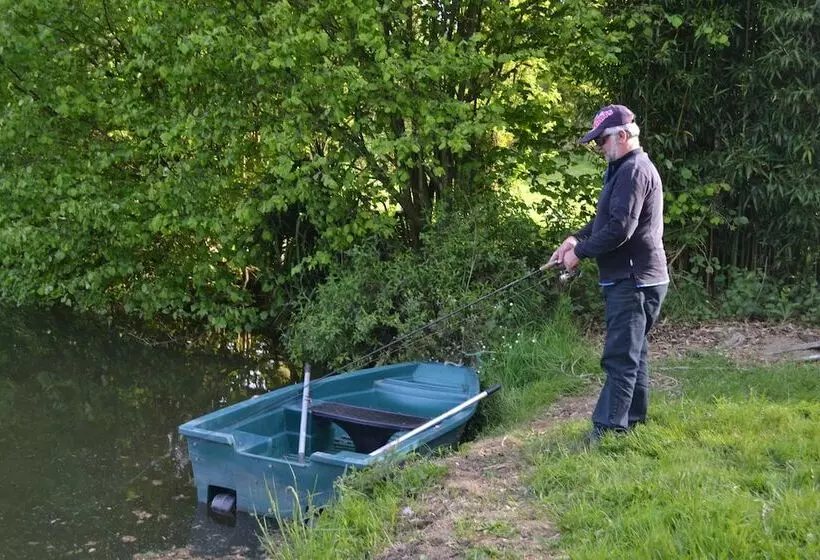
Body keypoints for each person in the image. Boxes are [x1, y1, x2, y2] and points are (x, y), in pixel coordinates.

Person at [549, 104, 669, 441]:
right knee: (634, 354)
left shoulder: (633, 171)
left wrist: (579, 254)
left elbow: (620, 230)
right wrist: (575, 239)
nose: (598, 147)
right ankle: (632, 421)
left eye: (601, 140)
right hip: (636, 279)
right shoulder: (622, 169)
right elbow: (606, 220)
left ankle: (607, 430)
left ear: (622, 135)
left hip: (635, 281)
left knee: (620, 357)